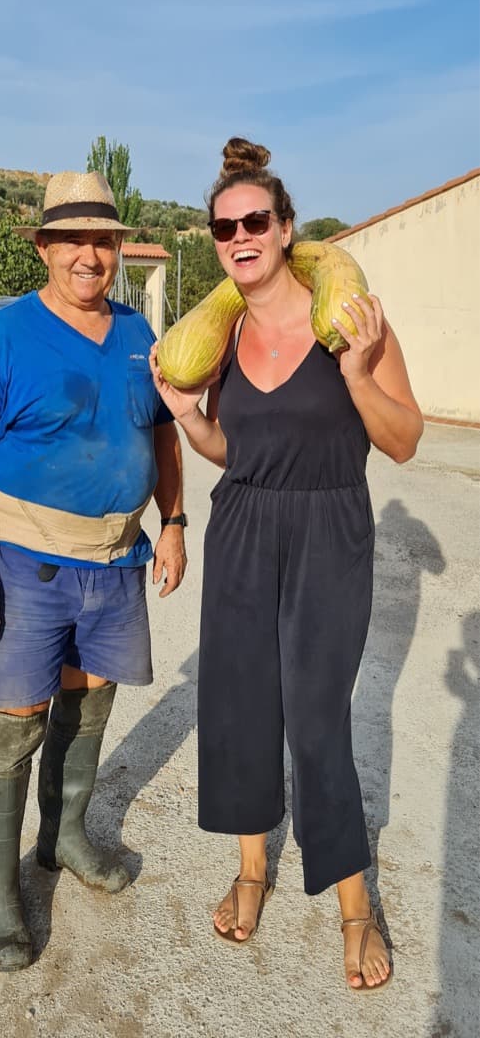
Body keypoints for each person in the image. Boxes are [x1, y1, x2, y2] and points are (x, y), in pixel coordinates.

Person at [150, 137, 423, 990]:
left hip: (328, 532)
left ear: (287, 229)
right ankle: (251, 868)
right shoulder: (218, 336)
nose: (240, 234)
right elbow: (237, 452)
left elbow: (405, 440)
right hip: (241, 528)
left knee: (314, 720)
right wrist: (190, 422)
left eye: (255, 220)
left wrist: (354, 375)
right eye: (224, 225)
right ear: (215, 238)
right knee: (237, 707)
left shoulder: (354, 318)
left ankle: (352, 903)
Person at [0, 170, 187, 973]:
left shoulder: (136, 338)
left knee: (87, 706)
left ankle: (64, 835)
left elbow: (162, 439)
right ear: (44, 247)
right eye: (73, 239)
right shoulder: (5, 336)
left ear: (118, 250)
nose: (91, 254)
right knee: (13, 721)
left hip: (116, 563)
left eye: (104, 240)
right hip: (26, 564)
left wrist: (175, 523)